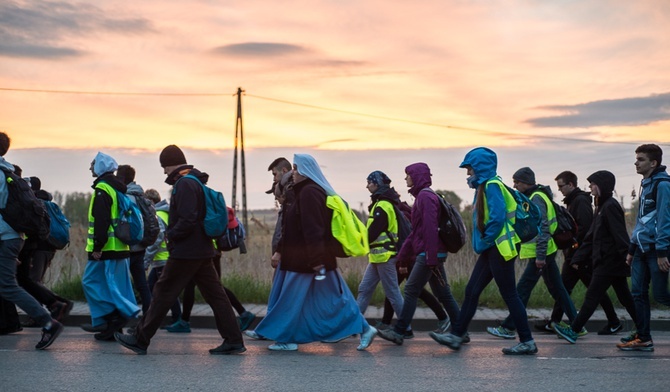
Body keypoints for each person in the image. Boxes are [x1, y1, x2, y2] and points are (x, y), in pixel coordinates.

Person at [114, 145, 245, 355]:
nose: (164, 172)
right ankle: (234, 339)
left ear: (169, 164)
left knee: (162, 293)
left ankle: (140, 339)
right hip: (202, 250)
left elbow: (188, 219)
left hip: (186, 251)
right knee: (216, 296)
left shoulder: (184, 185)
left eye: (164, 167)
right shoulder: (195, 181)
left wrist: (170, 235)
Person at [248, 153, 376, 351]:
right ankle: (364, 328)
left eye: (297, 168)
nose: (294, 173)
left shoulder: (309, 193)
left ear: (306, 171)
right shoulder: (304, 192)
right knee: (335, 299)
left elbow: (313, 230)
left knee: (292, 300)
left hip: (306, 261)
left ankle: (287, 339)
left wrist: (315, 261)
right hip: (312, 260)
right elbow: (294, 227)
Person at [429, 147, 537, 355]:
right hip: (493, 248)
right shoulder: (486, 186)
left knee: (510, 295)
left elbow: (496, 219)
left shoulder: (492, 186)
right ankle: (456, 335)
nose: (468, 173)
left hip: (499, 247)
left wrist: (484, 242)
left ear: (480, 167)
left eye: (469, 168)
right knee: (472, 291)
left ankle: (527, 341)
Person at [487, 167, 580, 340]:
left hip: (542, 253)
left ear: (526, 182)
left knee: (522, 289)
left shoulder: (536, 198)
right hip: (545, 252)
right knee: (559, 290)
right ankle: (577, 324)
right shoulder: (535, 196)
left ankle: (508, 327)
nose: (514, 186)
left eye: (517, 182)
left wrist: (540, 256)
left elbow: (543, 228)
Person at [377, 162, 460, 345]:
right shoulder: (423, 196)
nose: (406, 178)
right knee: (443, 294)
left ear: (416, 176)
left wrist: (430, 257)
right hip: (431, 253)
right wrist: (404, 254)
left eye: (408, 175)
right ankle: (460, 330)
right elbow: (417, 232)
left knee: (411, 289)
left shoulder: (425, 197)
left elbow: (430, 229)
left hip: (430, 254)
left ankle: (399, 331)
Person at [553, 171, 640, 345]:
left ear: (602, 186)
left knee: (592, 297)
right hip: (605, 261)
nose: (590, 188)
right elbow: (591, 238)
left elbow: (620, 236)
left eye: (593, 184)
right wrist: (578, 257)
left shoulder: (610, 206)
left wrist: (627, 258)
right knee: (625, 299)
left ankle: (574, 330)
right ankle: (642, 329)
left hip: (610, 262)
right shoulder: (600, 207)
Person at [537, 171, 621, 335]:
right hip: (575, 254)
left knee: (593, 290)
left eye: (561, 186)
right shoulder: (573, 200)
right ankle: (554, 321)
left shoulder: (580, 201)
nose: (559, 189)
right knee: (565, 287)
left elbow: (585, 228)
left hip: (581, 255)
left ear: (571, 185)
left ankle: (614, 321)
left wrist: (576, 250)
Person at [0, 131, 63, 349]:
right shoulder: (9, 173)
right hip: (13, 237)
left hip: (4, 238)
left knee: (8, 286)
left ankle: (48, 321)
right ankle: (48, 319)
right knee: (7, 285)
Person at [81, 152, 140, 341]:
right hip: (120, 248)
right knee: (112, 285)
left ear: (100, 167)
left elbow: (102, 221)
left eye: (92, 164)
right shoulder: (117, 188)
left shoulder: (103, 189)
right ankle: (109, 325)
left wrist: (97, 246)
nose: (90, 168)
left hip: (106, 249)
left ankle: (117, 316)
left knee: (90, 282)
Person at [619, 144, 670, 351]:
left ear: (653, 163)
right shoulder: (646, 184)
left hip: (656, 250)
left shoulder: (663, 185)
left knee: (660, 295)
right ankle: (643, 338)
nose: (636, 162)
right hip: (640, 249)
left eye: (640, 159)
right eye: (636, 158)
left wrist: (661, 252)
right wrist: (631, 250)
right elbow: (642, 220)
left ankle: (643, 336)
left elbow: (664, 220)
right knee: (637, 294)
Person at [16, 177, 73, 327]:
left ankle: (47, 310)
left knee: (32, 280)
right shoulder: (49, 204)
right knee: (35, 280)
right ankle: (55, 306)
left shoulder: (35, 203)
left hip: (38, 249)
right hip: (49, 248)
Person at [355, 171, 405, 325]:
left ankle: (405, 326)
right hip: (377, 257)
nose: (367, 186)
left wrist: (355, 241)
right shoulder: (381, 203)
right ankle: (353, 324)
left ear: (376, 184)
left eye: (369, 182)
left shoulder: (382, 205)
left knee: (393, 293)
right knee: (364, 289)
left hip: (385, 257)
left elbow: (372, 233)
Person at [116, 165, 152, 315]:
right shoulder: (141, 195)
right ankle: (148, 315)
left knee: (122, 284)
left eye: (118, 176)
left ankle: (126, 315)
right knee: (142, 284)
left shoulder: (127, 197)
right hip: (141, 246)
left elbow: (124, 222)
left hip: (129, 246)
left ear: (123, 179)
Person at [143, 189, 182, 328]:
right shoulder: (165, 213)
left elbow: (156, 240)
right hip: (165, 258)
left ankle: (173, 318)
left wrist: (146, 260)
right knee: (158, 288)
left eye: (146, 203)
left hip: (162, 259)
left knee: (163, 289)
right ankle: (169, 318)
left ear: (152, 202)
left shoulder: (158, 216)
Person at [267, 157, 293, 255]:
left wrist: (278, 253)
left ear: (284, 170)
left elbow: (283, 232)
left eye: (274, 174)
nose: (274, 178)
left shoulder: (292, 197)